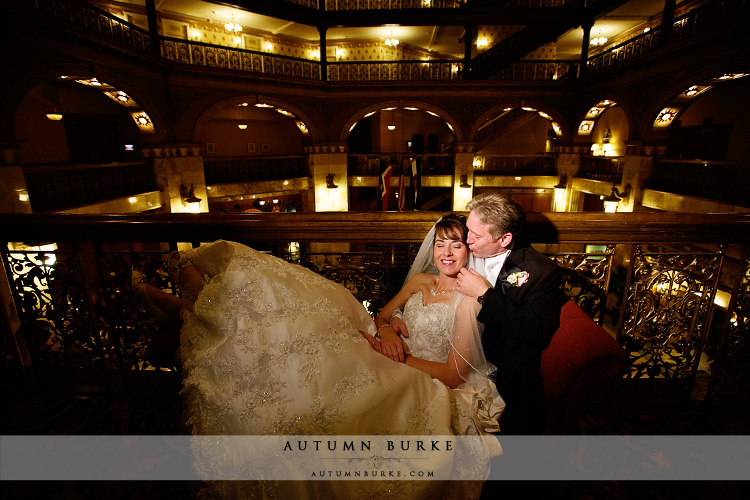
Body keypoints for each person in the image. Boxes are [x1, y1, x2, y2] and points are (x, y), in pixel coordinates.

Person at [165, 214, 504, 499]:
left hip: (420, 375)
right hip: (385, 350)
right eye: (440, 244)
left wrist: (395, 358)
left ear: (468, 250)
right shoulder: (419, 281)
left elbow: (453, 376)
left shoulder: (469, 300)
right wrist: (387, 332)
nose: (446, 252)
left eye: (456, 244)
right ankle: (215, 300)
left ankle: (199, 309)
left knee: (332, 395)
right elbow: (382, 316)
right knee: (312, 323)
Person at [456, 193, 569, 435]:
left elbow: (536, 330)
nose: (467, 240)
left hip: (497, 368)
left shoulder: (540, 271)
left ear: (505, 239)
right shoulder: (458, 252)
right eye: (468, 230)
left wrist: (485, 295)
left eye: (475, 235)